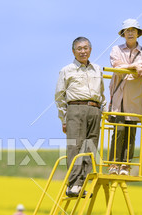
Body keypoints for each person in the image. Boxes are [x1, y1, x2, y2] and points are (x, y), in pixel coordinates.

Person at [55, 37, 106, 197]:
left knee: (90, 147)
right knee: (75, 146)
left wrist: (102, 111)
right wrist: (64, 118)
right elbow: (59, 96)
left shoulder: (97, 69)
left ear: (90, 49)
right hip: (75, 108)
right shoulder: (67, 70)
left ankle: (82, 183)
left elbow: (102, 93)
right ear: (73, 51)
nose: (83, 51)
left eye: (85, 48)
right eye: (79, 48)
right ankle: (73, 184)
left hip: (95, 109)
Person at [108, 19, 142, 175]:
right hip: (119, 96)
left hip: (135, 98)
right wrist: (134, 66)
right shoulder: (116, 49)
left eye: (133, 30)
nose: (131, 33)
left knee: (131, 132)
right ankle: (113, 164)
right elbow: (116, 66)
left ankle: (126, 165)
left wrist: (138, 67)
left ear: (138, 33)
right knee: (119, 130)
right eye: (128, 30)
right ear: (123, 34)